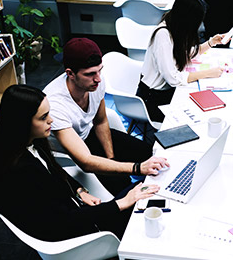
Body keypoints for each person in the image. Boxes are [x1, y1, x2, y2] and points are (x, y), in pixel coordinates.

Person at [0, 85, 160, 241]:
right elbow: (64, 220)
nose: (51, 120)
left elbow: (54, 173)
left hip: (77, 213)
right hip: (77, 233)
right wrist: (120, 203)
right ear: (22, 123)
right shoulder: (21, 171)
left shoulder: (29, 144)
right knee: (148, 196)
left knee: (146, 191)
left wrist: (79, 190)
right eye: (43, 117)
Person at [43, 37, 168, 196]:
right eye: (90, 74)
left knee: (152, 154)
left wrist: (111, 157)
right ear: (70, 73)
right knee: (123, 186)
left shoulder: (95, 82)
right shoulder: (55, 104)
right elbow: (85, 161)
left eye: (99, 70)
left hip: (89, 135)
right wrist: (137, 168)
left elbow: (101, 121)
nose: (98, 79)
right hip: (71, 151)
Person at [137, 0, 229, 122]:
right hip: (153, 98)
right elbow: (173, 79)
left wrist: (211, 42)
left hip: (166, 92)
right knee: (197, 115)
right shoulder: (163, 35)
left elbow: (186, 54)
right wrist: (207, 73)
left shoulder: (174, 28)